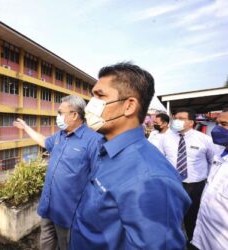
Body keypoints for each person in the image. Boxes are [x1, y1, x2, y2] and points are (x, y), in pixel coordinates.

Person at [70, 62, 191, 249]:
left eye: (100, 96)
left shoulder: (151, 178)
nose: (90, 104)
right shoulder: (106, 149)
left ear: (129, 106)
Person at [13, 95, 102, 250]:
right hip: (48, 205)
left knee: (66, 245)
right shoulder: (60, 135)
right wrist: (26, 128)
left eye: (60, 112)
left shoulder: (94, 140)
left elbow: (98, 179)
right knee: (46, 241)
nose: (57, 117)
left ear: (74, 115)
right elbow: (43, 141)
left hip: (68, 212)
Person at [158, 108, 217, 248]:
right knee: (171, 216)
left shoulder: (205, 139)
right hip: (172, 184)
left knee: (193, 218)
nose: (176, 121)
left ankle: (192, 242)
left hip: (195, 186)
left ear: (191, 122)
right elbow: (160, 159)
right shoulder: (166, 137)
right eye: (175, 118)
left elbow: (212, 161)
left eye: (181, 118)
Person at [191, 108, 228, 249]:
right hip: (203, 238)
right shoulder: (219, 154)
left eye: (224, 124)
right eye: (217, 123)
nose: (217, 129)